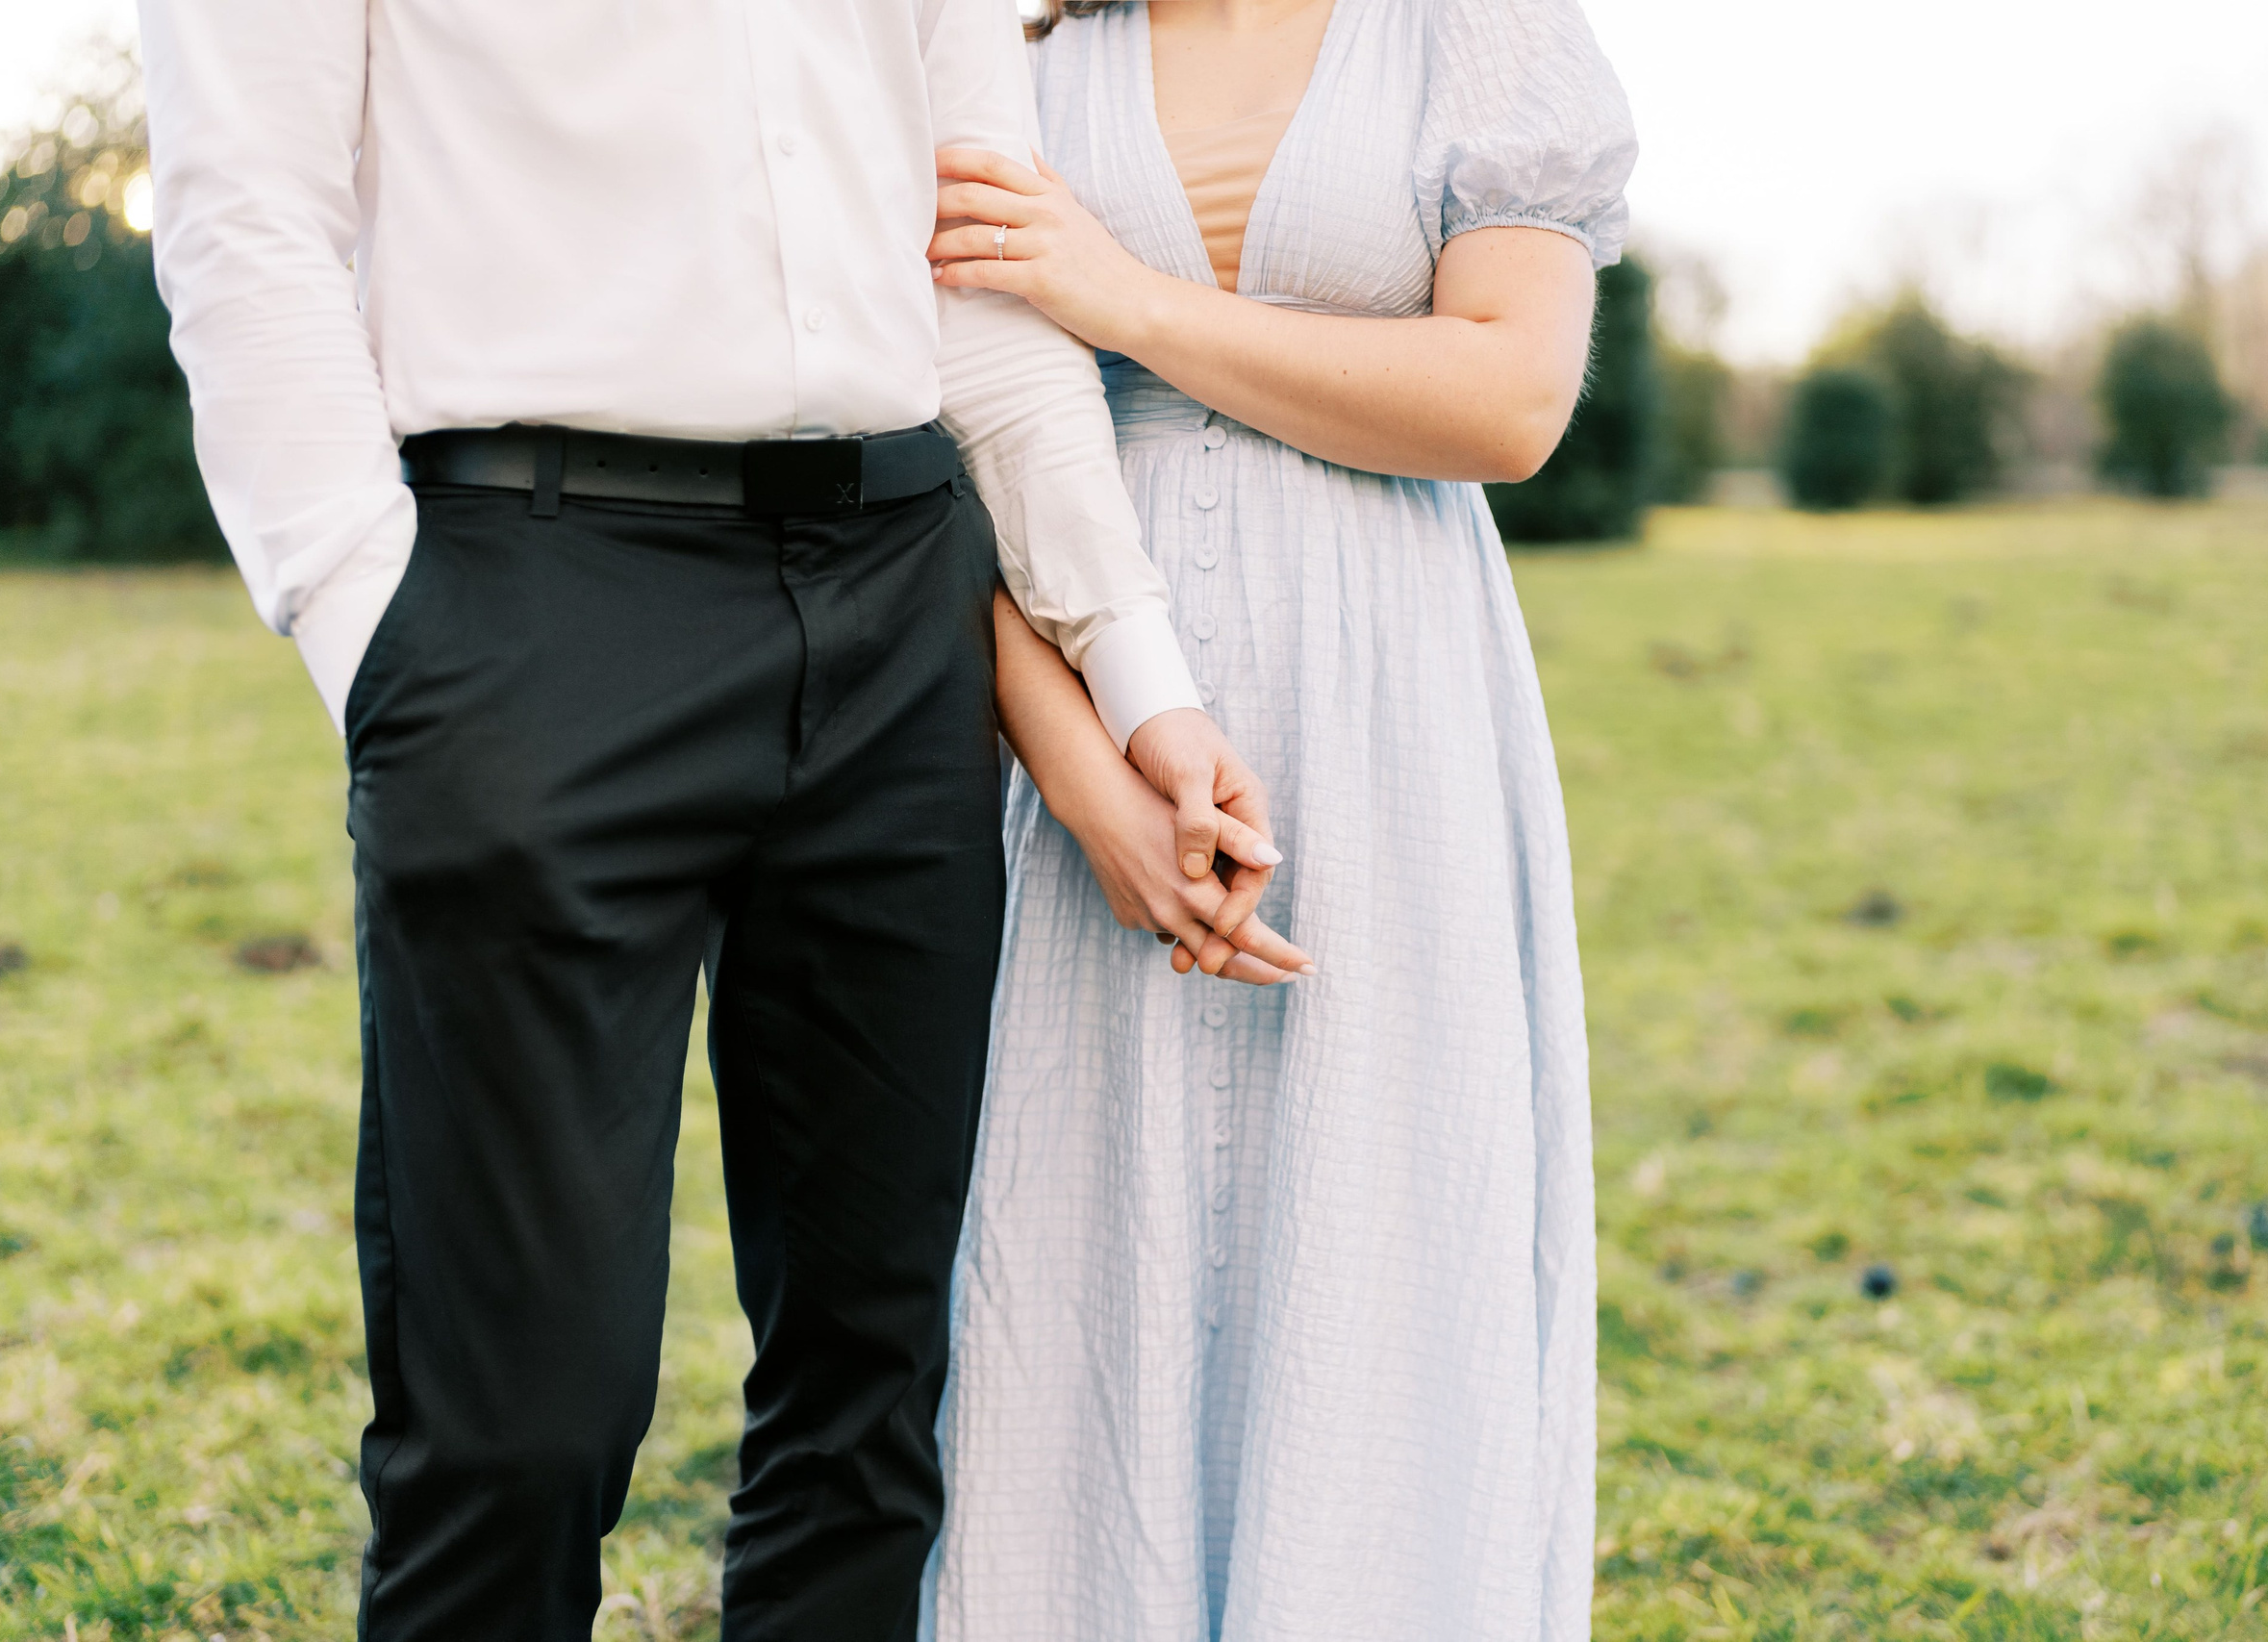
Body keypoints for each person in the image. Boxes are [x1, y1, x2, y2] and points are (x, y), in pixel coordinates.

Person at [136, 0, 1298, 1634]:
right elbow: (245, 214)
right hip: (530, 602)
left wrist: (1139, 670)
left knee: (869, 1399)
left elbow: (977, 264)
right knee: (519, 1427)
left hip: (901, 610)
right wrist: (372, 628)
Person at [920, 0, 1636, 1635]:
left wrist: (1126, 302)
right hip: (1081, 708)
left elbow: (1510, 400)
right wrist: (1083, 783)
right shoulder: (1007, 50)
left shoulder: (1479, 35)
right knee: (1075, 1234)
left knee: (1384, 1219)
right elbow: (954, 449)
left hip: (1392, 711)